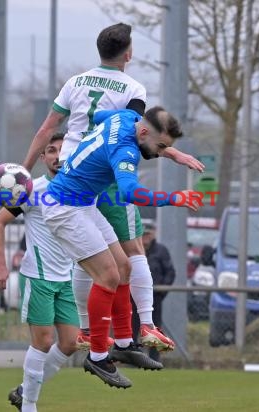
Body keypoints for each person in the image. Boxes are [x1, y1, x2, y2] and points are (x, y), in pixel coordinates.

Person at [22, 22, 204, 357]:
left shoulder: (75, 82)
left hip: (68, 170)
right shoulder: (133, 90)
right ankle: (141, 327)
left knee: (95, 262)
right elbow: (138, 134)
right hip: (102, 177)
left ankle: (96, 334)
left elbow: (48, 128)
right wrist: (174, 165)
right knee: (131, 253)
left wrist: (24, 170)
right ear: (129, 53)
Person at [41, 106, 201, 388]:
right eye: (161, 146)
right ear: (143, 132)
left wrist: (171, 152)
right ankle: (98, 355)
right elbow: (129, 192)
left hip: (83, 203)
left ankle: (125, 343)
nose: (161, 151)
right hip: (64, 207)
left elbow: (99, 117)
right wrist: (173, 198)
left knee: (125, 266)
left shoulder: (125, 117)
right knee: (108, 276)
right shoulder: (126, 150)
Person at [0, 133, 79, 411]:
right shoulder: (31, 190)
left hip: (67, 279)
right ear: (43, 158)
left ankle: (23, 391)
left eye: (62, 150)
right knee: (43, 341)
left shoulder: (80, 190)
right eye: (51, 151)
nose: (56, 156)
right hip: (39, 277)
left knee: (71, 343)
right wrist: (2, 265)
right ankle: (29, 405)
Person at [131, 222, 176, 362]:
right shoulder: (133, 249)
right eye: (143, 234)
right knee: (133, 327)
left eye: (148, 234)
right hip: (133, 296)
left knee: (154, 327)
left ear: (153, 234)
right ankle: (134, 357)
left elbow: (170, 272)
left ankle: (154, 359)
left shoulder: (161, 251)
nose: (145, 238)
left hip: (154, 297)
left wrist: (161, 292)